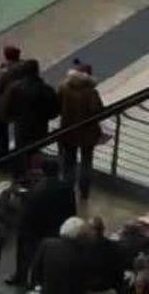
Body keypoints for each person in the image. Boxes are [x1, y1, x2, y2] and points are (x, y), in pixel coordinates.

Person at [10, 158, 74, 285]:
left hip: (37, 229)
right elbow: (72, 209)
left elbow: (30, 213)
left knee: (23, 247)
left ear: (43, 171)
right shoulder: (66, 187)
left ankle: (21, 276)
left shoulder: (38, 190)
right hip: (57, 227)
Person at [55, 60, 105, 208]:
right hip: (88, 134)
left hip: (67, 131)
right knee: (86, 163)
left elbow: (57, 106)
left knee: (68, 162)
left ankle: (67, 190)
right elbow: (98, 111)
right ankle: (84, 193)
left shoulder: (64, 87)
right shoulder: (91, 92)